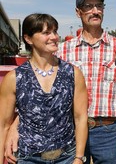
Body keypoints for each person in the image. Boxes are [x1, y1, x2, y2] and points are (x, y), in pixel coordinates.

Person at [5, 0, 116, 164]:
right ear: (78, 12)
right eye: (88, 6)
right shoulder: (62, 51)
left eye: (99, 6)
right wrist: (15, 125)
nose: (95, 11)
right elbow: (40, 93)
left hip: (107, 132)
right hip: (69, 131)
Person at [0, 13, 88, 163]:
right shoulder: (14, 78)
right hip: (29, 158)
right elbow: (3, 125)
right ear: (28, 39)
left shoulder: (73, 73)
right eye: (46, 33)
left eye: (55, 31)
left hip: (66, 157)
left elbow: (80, 118)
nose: (54, 37)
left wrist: (79, 157)